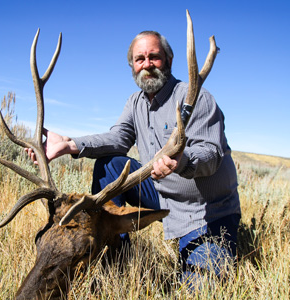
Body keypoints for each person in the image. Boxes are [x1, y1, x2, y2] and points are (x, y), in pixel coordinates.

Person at [26, 31, 241, 287]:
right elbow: (118, 138)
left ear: (169, 60)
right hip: (160, 190)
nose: (146, 64)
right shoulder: (135, 102)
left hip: (204, 209)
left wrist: (181, 160)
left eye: (154, 57)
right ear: (132, 65)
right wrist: (70, 145)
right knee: (109, 164)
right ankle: (116, 250)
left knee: (198, 289)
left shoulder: (197, 98)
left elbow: (211, 154)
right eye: (139, 59)